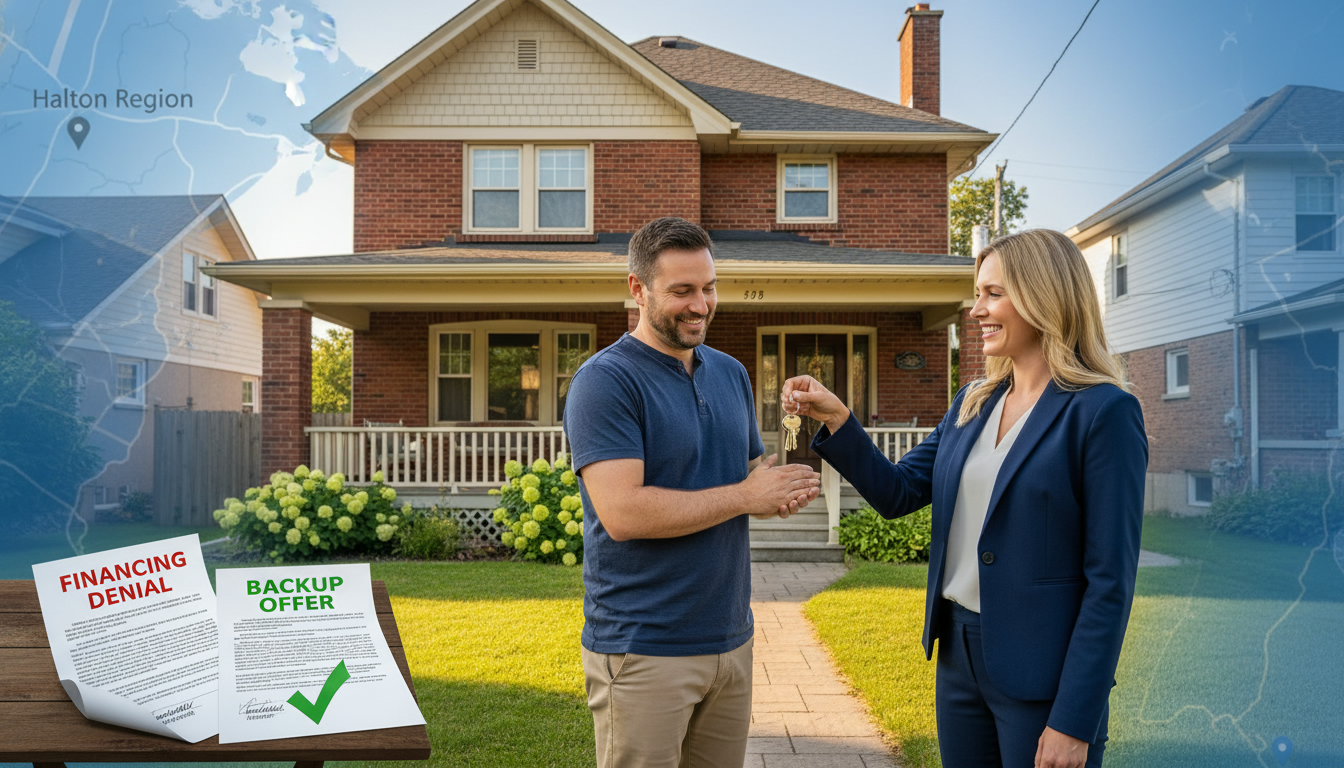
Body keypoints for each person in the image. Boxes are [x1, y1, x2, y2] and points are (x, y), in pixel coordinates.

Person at [782, 229, 1148, 768]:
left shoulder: (1102, 412)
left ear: (1045, 296)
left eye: (993, 294)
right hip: (957, 657)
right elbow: (900, 491)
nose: (976, 310)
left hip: (1043, 677)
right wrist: (839, 418)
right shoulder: (972, 404)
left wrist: (1075, 719)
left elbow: (1110, 583)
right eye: (977, 294)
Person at [563, 216, 821, 768]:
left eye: (708, 288)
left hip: (731, 637)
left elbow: (747, 477)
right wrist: (747, 496)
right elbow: (623, 512)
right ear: (638, 289)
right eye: (682, 291)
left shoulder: (730, 373)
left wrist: (781, 488)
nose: (700, 304)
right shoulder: (605, 381)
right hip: (644, 646)